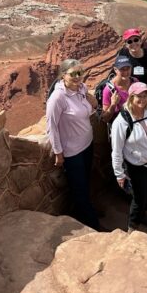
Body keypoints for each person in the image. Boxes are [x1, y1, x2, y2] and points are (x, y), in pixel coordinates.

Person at [46, 58, 101, 230]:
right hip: (72, 152)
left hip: (87, 144)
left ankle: (86, 214)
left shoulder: (82, 89)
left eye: (80, 73)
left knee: (86, 182)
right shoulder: (58, 97)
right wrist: (58, 151)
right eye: (73, 74)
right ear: (63, 75)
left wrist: (94, 102)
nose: (78, 77)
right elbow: (51, 126)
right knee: (80, 189)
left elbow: (90, 109)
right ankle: (93, 226)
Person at [110, 82, 147, 231]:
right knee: (138, 198)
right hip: (135, 166)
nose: (142, 99)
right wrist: (119, 174)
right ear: (131, 97)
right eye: (138, 96)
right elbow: (116, 150)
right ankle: (132, 226)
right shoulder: (122, 121)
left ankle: (143, 215)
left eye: (145, 95)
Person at [118, 27, 147, 110]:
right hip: (131, 98)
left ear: (140, 41)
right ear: (126, 44)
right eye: (129, 41)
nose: (133, 43)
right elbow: (117, 73)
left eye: (136, 40)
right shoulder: (123, 54)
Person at [101, 55, 136, 123]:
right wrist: (113, 104)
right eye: (122, 69)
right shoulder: (108, 90)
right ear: (115, 69)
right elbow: (105, 119)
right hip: (120, 128)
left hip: (136, 124)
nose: (125, 72)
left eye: (128, 68)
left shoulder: (135, 82)